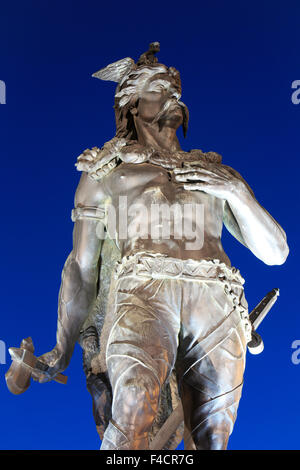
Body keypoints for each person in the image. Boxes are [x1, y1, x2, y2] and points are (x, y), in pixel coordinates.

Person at [33, 43, 289, 450]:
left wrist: (237, 191)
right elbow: (81, 268)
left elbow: (277, 253)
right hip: (145, 291)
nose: (174, 96)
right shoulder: (105, 171)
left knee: (213, 436)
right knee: (133, 403)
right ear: (131, 104)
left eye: (175, 88)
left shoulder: (214, 170)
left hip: (218, 297)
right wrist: (62, 347)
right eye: (159, 86)